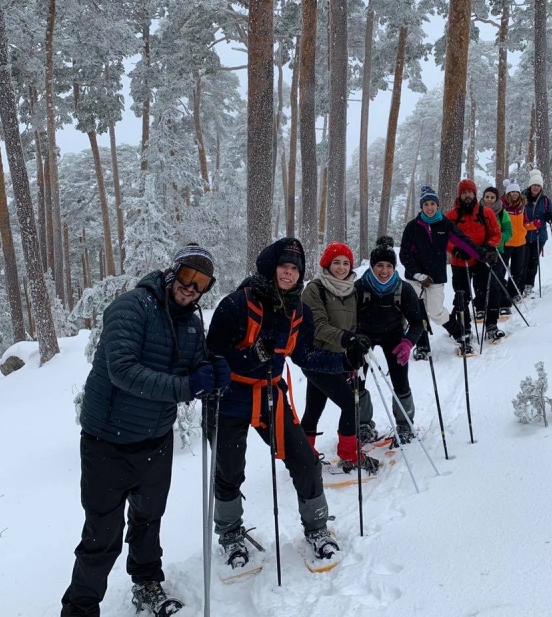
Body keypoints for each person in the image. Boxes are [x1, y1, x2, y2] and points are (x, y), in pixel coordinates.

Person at [62, 245, 229, 617]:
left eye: (201, 284)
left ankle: (147, 584)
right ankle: (80, 608)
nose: (191, 288)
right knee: (102, 537)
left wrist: (213, 369)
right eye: (187, 277)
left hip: (155, 439)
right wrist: (187, 387)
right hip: (108, 442)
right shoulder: (133, 306)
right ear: (172, 272)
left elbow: (195, 361)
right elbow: (123, 371)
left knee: (148, 519)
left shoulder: (190, 320)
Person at [204, 238, 367, 570]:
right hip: (228, 398)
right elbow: (210, 357)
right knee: (229, 470)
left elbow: (305, 356)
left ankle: (318, 529)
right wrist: (249, 356)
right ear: (269, 267)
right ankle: (231, 534)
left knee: (305, 462)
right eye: (284, 266)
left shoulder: (298, 311)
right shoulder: (236, 304)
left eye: (295, 268)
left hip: (270, 397)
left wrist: (344, 360)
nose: (289, 273)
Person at [299, 241, 381, 475]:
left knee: (314, 407)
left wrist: (355, 344)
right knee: (349, 404)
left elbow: (353, 325)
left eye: (346, 263)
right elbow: (318, 327)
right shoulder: (314, 289)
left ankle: (305, 456)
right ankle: (349, 455)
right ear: (327, 263)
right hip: (316, 359)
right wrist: (348, 340)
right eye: (336, 262)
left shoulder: (351, 290)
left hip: (339, 359)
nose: (341, 267)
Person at [400, 184, 490, 358]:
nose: (429, 208)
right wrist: (417, 274)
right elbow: (404, 254)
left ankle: (461, 335)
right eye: (426, 205)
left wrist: (482, 254)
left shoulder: (445, 224)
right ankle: (422, 346)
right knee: (416, 313)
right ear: (421, 207)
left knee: (436, 312)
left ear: (438, 205)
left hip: (435, 277)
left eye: (432, 204)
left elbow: (463, 241)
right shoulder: (412, 226)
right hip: (415, 278)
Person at [355, 237, 425, 443]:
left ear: (394, 267)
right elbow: (347, 318)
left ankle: (405, 424)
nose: (384, 271)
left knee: (400, 381)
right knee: (356, 382)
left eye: (388, 266)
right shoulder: (359, 287)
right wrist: (352, 341)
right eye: (379, 265)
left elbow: (417, 322)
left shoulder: (403, 289)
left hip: (394, 336)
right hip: (362, 336)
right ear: (372, 266)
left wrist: (408, 342)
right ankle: (362, 424)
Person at [444, 178, 502, 354]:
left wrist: (488, 246)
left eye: (469, 192)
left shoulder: (486, 213)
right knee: (462, 296)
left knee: (488, 292)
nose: (467, 195)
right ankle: (464, 328)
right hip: (460, 262)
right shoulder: (451, 216)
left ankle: (491, 325)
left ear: (475, 193)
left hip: (481, 259)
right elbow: (444, 238)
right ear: (459, 195)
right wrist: (455, 250)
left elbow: (496, 234)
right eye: (464, 192)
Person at [523, 169, 552, 294]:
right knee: (522, 261)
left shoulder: (545, 200)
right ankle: (520, 284)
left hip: (539, 235)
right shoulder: (522, 198)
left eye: (538, 185)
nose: (536, 187)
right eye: (534, 185)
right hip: (524, 235)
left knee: (533, 261)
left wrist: (549, 216)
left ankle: (529, 285)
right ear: (530, 186)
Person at [482, 186, 514, 322]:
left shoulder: (502, 213)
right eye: (487, 197)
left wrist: (498, 239)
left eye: (492, 197)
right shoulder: (477, 211)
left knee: (498, 277)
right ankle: (482, 305)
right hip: (481, 250)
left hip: (498, 250)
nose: (489, 200)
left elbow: (509, 231)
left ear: (496, 199)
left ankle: (504, 303)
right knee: (481, 279)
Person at [501, 179, 529, 302]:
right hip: (507, 243)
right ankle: (502, 292)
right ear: (507, 193)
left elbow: (525, 222)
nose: (514, 194)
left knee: (517, 269)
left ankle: (514, 292)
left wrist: (535, 225)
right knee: (502, 269)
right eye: (511, 192)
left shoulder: (522, 206)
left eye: (516, 192)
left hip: (520, 242)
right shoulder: (503, 207)